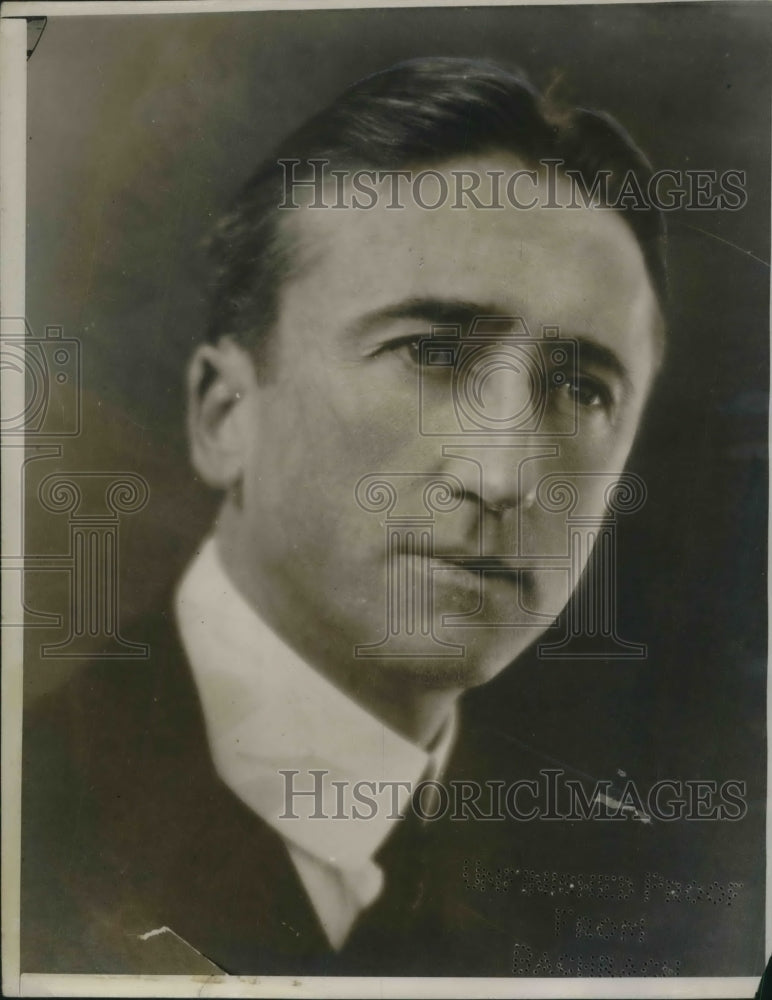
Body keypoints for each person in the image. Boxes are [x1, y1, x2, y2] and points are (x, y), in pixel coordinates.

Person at [21, 57, 759, 978]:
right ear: (225, 414)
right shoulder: (34, 818)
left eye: (581, 387)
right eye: (431, 352)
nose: (501, 474)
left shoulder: (647, 900)